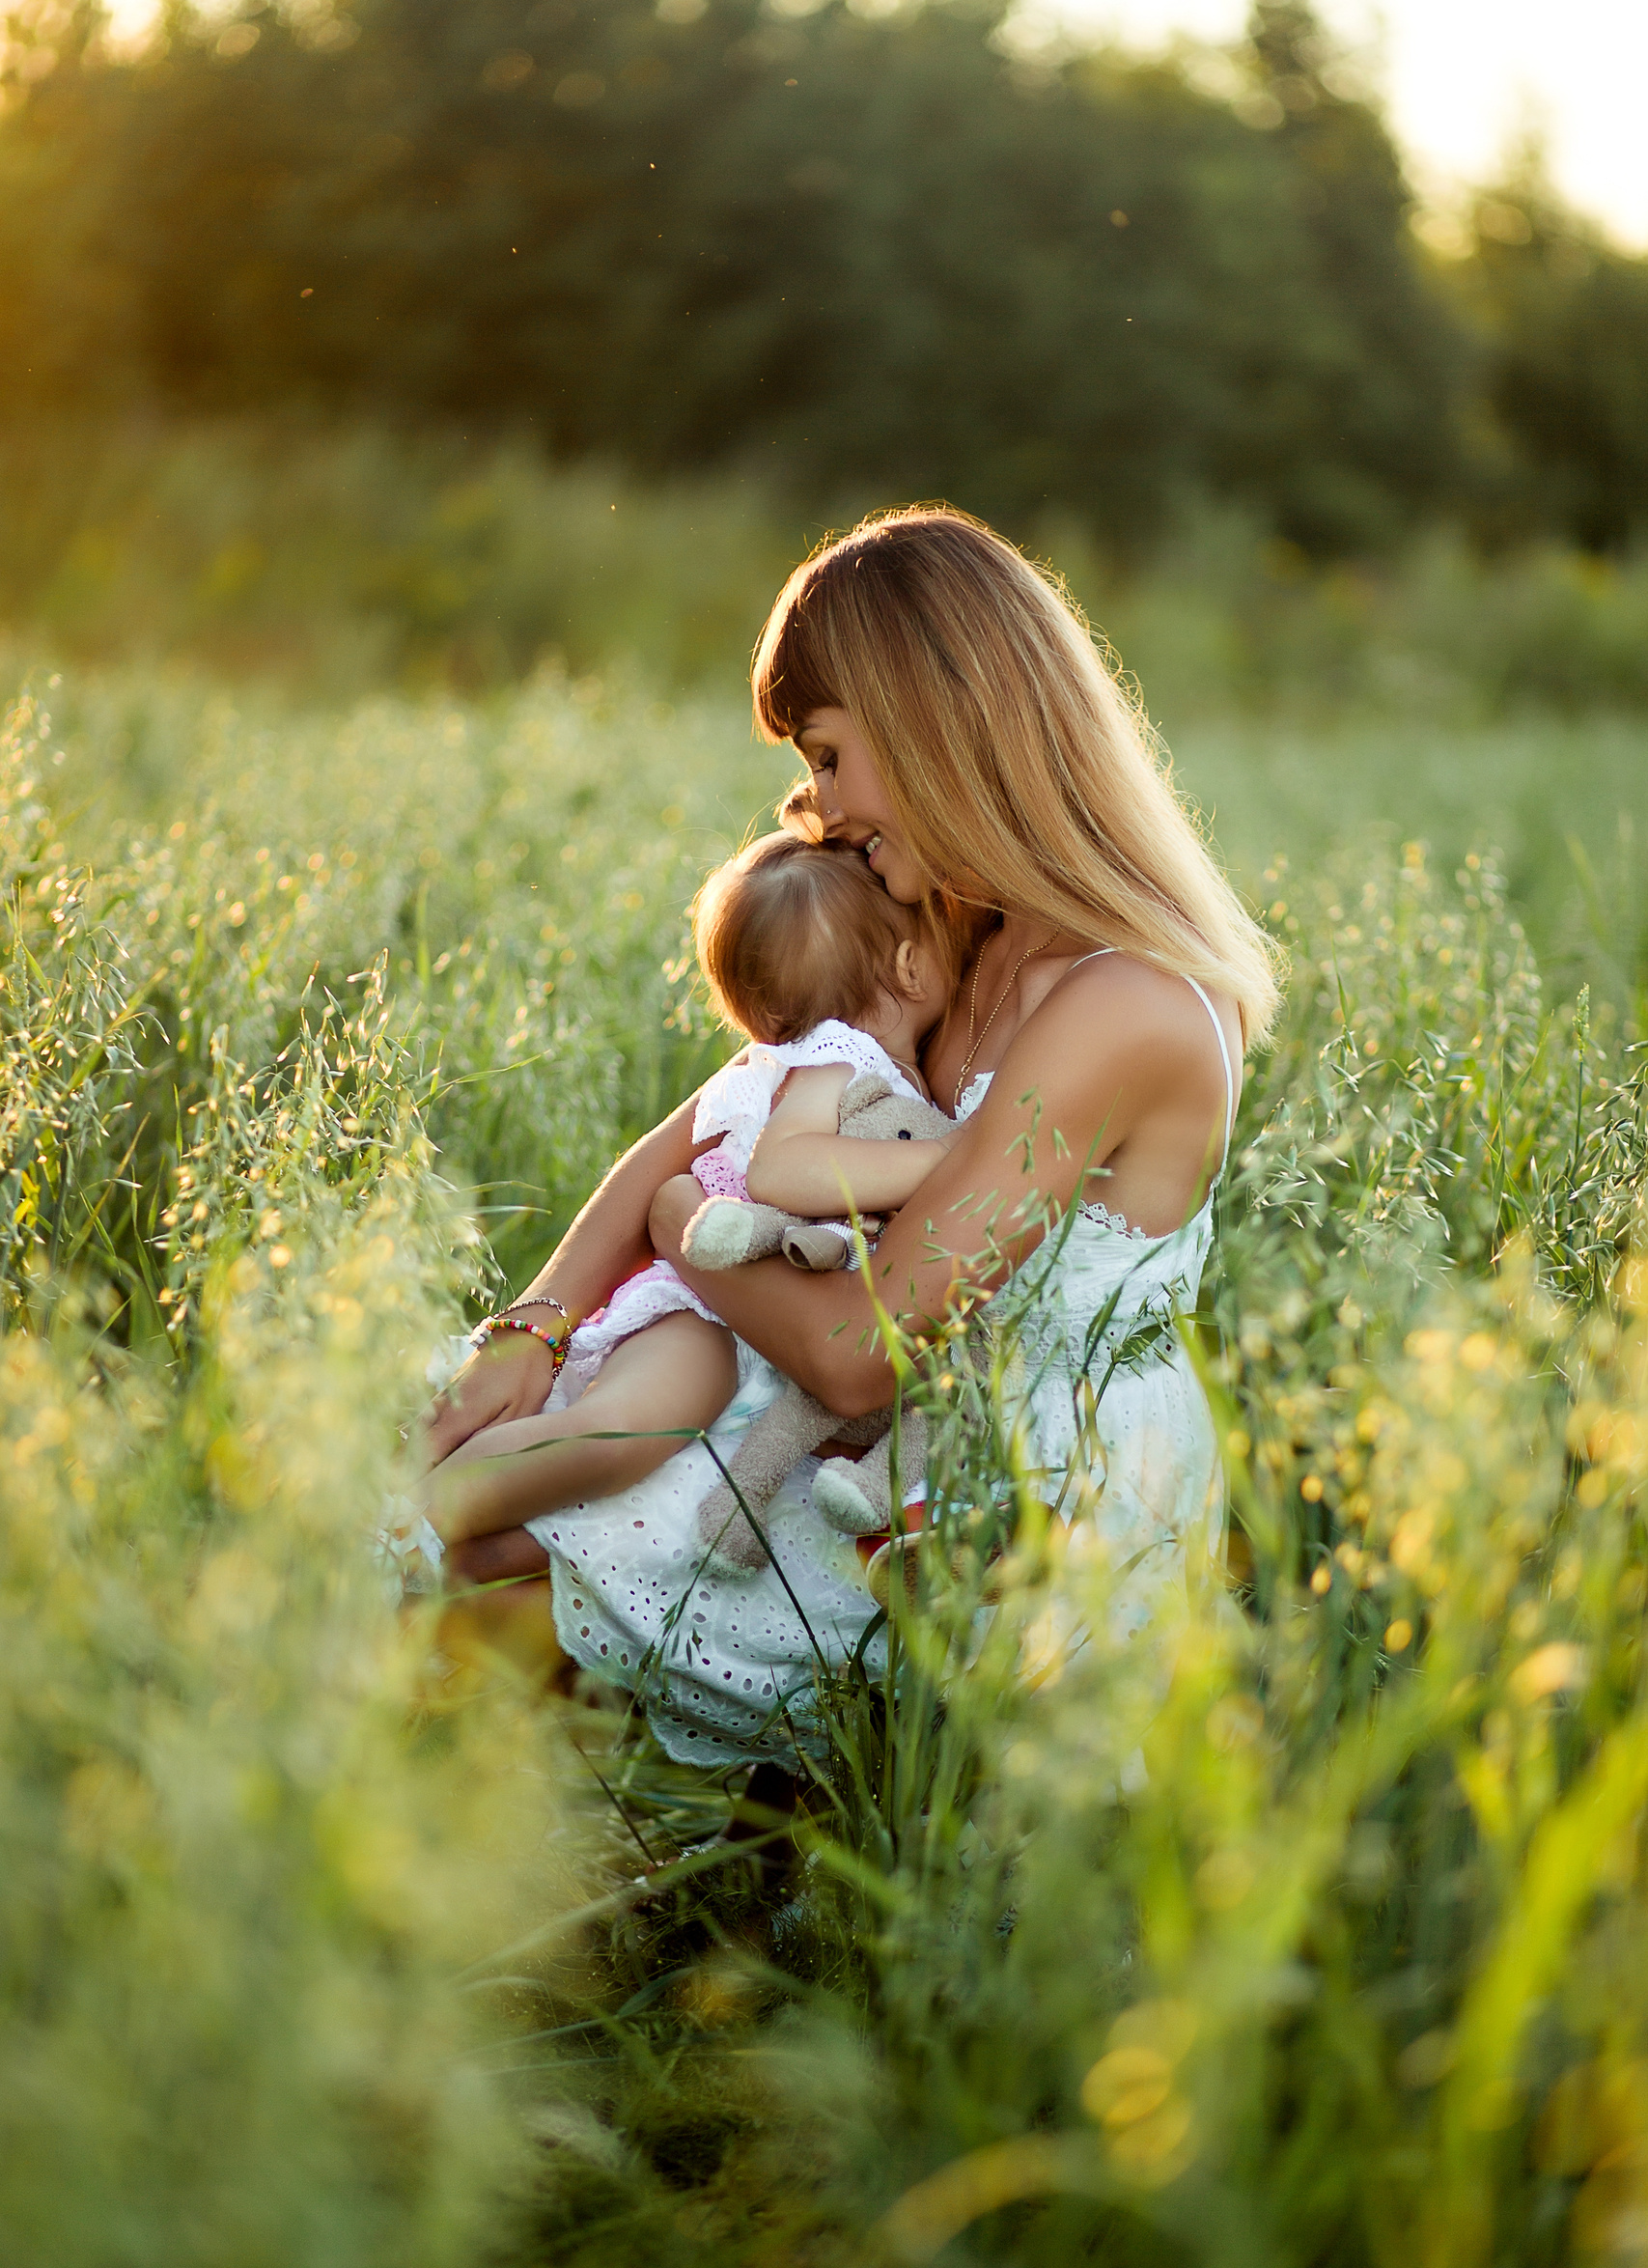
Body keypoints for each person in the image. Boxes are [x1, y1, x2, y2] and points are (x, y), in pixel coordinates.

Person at [422, 508, 1281, 1771]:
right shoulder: (955, 939)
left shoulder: (1124, 1004)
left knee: (492, 1560)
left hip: (1028, 1513)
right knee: (476, 1493)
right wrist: (534, 1328)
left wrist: (683, 1229)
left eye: (828, 755)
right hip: (886, 1450)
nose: (814, 805)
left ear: (937, 722)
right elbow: (699, 1130)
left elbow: (856, 1356)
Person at [413, 830, 956, 1562]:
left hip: (768, 1330)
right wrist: (945, 1160)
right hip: (708, 1307)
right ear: (911, 966)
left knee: (623, 1474)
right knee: (617, 1436)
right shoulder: (840, 1057)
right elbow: (781, 1172)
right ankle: (405, 1520)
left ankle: (428, 1544)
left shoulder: (859, 1068)